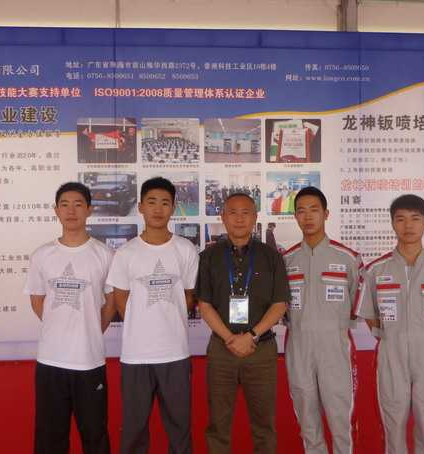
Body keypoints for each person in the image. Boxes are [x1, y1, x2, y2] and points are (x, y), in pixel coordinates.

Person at [354, 194, 424, 454]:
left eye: (415, 219)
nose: (408, 225)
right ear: (392, 223)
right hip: (391, 354)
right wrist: (392, 335)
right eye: (400, 219)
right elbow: (369, 314)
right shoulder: (376, 270)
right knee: (393, 423)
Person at [106, 176, 198, 454]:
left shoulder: (185, 249)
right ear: (141, 207)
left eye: (165, 203)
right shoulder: (126, 253)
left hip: (175, 353)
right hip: (136, 356)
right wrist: (143, 325)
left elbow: (189, 296)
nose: (158, 209)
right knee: (133, 430)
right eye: (152, 202)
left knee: (180, 430)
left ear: (173, 208)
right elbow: (121, 301)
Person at [24, 182, 116, 454]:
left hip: (90, 360)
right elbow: (37, 300)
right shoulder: (42, 255)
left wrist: (91, 328)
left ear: (89, 209)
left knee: (95, 434)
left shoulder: (104, 254)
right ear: (56, 210)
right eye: (64, 205)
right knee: (50, 436)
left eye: (78, 204)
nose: (71, 211)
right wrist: (59, 326)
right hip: (51, 361)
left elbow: (111, 301)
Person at [196, 192, 291, 454]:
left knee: (264, 425)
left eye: (245, 212)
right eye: (233, 212)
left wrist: (251, 335)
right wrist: (230, 338)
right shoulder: (209, 256)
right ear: (223, 217)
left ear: (255, 217)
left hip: (260, 349)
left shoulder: (271, 256)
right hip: (221, 349)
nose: (239, 218)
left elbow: (280, 303)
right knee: (218, 424)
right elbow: (204, 305)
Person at [283, 186, 363, 454]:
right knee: (307, 420)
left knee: (341, 420)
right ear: (295, 216)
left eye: (314, 210)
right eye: (301, 211)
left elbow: (357, 305)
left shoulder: (348, 259)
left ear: (326, 214)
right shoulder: (286, 260)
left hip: (335, 348)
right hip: (299, 347)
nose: (308, 217)